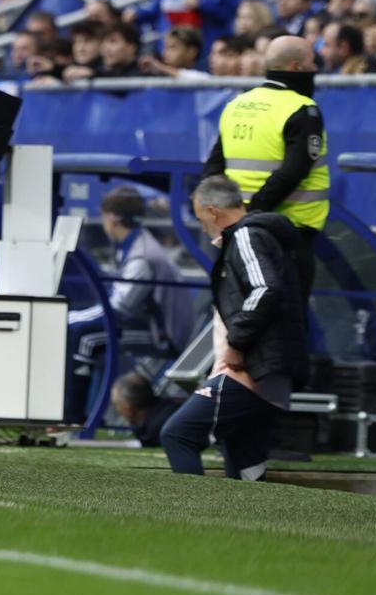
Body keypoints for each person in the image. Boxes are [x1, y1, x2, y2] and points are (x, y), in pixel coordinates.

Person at [161, 176, 307, 480]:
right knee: (245, 465)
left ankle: (190, 515)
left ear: (213, 212)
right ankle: (254, 525)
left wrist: (237, 343)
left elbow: (265, 288)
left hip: (251, 370)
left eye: (201, 219)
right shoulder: (262, 237)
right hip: (268, 371)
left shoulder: (246, 237)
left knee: (178, 435)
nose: (202, 227)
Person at [202, 35, 328, 306]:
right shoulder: (303, 110)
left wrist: (225, 219)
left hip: (236, 231)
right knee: (285, 322)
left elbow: (213, 168)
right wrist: (251, 216)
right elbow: (292, 173)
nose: (315, 68)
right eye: (311, 62)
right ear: (295, 67)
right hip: (286, 232)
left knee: (241, 315)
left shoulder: (238, 105)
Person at [65, 186, 196, 423]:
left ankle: (72, 416)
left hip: (162, 336)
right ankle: (75, 414)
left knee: (82, 336)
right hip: (150, 325)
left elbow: (119, 307)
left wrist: (69, 318)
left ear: (113, 217)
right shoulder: (135, 243)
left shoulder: (141, 255)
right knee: (81, 330)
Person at [110, 372, 184, 447]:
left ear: (128, 409)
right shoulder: (170, 408)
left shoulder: (158, 430)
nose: (117, 410)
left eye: (117, 405)